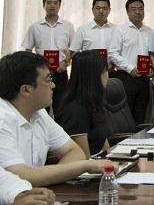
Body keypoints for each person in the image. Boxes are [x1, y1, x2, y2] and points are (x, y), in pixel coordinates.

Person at [0, 51, 111, 186]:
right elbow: (20, 176)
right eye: (48, 80)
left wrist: (48, 177)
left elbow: (76, 152)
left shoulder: (39, 113)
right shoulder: (3, 120)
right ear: (26, 90)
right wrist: (85, 165)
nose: (53, 86)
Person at [21, 0, 75, 117]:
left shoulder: (67, 26)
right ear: (43, 5)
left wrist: (65, 62)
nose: (52, 6)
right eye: (49, 3)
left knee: (61, 108)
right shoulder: (35, 27)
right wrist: (36, 67)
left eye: (55, 3)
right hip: (41, 74)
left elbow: (73, 48)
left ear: (60, 6)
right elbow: (28, 50)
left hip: (60, 72)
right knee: (41, 109)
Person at [108, 0, 152, 125]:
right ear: (127, 12)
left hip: (143, 80)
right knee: (125, 115)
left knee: (141, 115)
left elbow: (152, 54)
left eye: (140, 9)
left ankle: (139, 137)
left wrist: (151, 68)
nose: (137, 12)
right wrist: (129, 68)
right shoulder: (120, 30)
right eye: (133, 9)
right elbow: (113, 53)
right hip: (125, 78)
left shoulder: (149, 31)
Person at [57, 50, 111, 156]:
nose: (107, 75)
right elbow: (83, 159)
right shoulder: (75, 110)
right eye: (104, 71)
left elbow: (104, 146)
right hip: (89, 164)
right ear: (93, 77)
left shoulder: (94, 103)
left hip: (100, 162)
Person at [67, 0, 117, 73]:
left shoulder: (116, 30)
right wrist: (85, 63)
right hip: (89, 73)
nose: (101, 11)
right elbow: (74, 53)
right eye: (98, 8)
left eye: (104, 8)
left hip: (110, 71)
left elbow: (120, 51)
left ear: (109, 10)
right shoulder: (82, 30)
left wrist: (114, 64)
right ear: (92, 9)